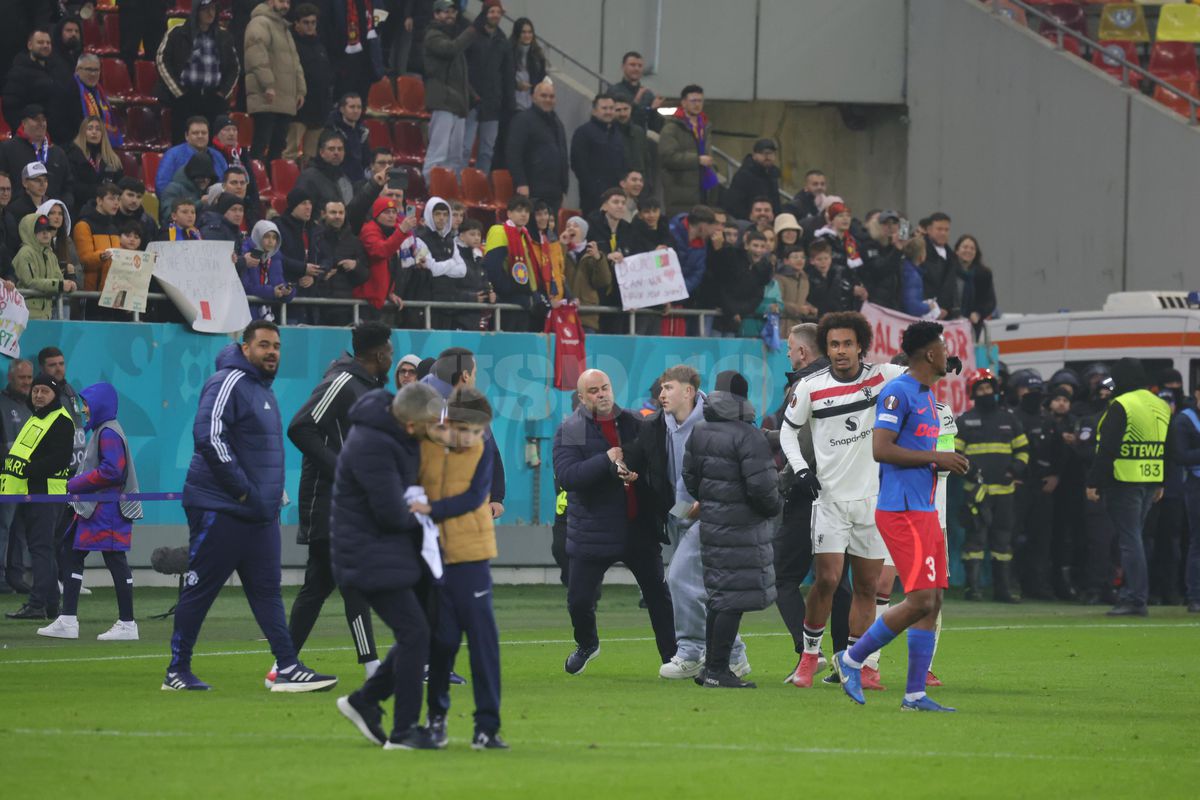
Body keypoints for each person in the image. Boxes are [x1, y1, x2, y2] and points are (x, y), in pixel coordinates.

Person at [164, 322, 337, 691]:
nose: (272, 352)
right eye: (263, 345)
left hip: (259, 514)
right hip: (222, 508)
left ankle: (287, 667)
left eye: (277, 346)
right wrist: (242, 491)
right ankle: (177, 671)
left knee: (267, 592)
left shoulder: (262, 389)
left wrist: (268, 497)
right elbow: (208, 435)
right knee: (200, 589)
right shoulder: (227, 381)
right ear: (245, 348)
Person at [832, 320, 969, 712]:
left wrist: (943, 461)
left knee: (933, 600)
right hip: (902, 510)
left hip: (925, 509)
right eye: (943, 348)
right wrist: (936, 457)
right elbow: (881, 448)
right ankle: (853, 657)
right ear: (930, 353)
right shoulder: (898, 392)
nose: (948, 355)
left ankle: (914, 694)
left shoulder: (927, 396)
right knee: (920, 599)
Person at [778, 311, 906, 688]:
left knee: (867, 587)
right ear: (826, 347)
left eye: (847, 343)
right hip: (830, 501)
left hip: (872, 502)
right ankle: (809, 656)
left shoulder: (882, 376)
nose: (840, 351)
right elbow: (787, 433)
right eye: (834, 344)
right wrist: (802, 470)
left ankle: (855, 663)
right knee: (827, 580)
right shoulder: (810, 386)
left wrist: (942, 363)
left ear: (860, 345)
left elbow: (919, 372)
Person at [277, 323, 393, 686]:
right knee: (351, 581)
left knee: (317, 586)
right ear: (379, 354)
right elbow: (300, 426)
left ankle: (283, 665)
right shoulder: (341, 382)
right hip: (328, 502)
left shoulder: (369, 388)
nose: (391, 356)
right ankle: (371, 667)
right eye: (390, 351)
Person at [332, 382, 441, 750]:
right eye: (430, 425)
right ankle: (404, 730)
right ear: (411, 424)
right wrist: (430, 514)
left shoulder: (394, 437)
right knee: (415, 633)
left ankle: (365, 701)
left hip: (388, 551)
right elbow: (392, 513)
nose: (435, 431)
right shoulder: (372, 444)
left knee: (421, 629)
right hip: (367, 554)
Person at [625, 365, 752, 681]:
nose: (661, 394)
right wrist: (620, 464)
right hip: (678, 515)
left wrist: (710, 502)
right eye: (661, 388)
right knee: (708, 589)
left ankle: (691, 652)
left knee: (679, 578)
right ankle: (733, 656)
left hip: (712, 515)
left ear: (689, 391)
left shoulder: (717, 422)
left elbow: (739, 465)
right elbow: (639, 458)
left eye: (668, 387)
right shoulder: (657, 425)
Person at [552, 369, 676, 675]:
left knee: (658, 597)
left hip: (637, 528)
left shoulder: (635, 422)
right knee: (579, 601)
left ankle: (673, 657)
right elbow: (568, 477)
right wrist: (605, 461)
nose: (602, 394)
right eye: (593, 391)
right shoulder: (571, 429)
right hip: (592, 531)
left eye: (605, 388)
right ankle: (587, 644)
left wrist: (637, 476)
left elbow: (654, 464)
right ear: (581, 398)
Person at [411, 386, 508, 750]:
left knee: (483, 644)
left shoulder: (481, 448)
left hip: (472, 557)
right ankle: (436, 721)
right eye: (468, 430)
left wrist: (431, 510)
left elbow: (473, 498)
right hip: (432, 558)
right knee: (442, 643)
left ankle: (487, 727)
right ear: (448, 422)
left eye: (480, 430)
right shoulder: (425, 445)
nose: (474, 437)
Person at [682, 371, 781, 688]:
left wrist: (713, 501)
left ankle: (711, 669)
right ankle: (716, 670)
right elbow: (763, 490)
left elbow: (690, 480)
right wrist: (774, 507)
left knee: (719, 597)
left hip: (712, 525)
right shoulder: (748, 435)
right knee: (732, 599)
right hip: (743, 529)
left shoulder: (699, 431)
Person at [36, 382, 143, 641]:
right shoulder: (103, 430)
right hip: (96, 509)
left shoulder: (108, 432)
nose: (83, 410)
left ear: (100, 405)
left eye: (86, 405)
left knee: (114, 560)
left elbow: (112, 471)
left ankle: (127, 623)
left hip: (107, 510)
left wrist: (75, 484)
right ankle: (68, 619)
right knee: (71, 552)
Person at [1086, 358, 1172, 617]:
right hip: (1150, 480)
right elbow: (1166, 447)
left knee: (1129, 541)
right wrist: (1161, 481)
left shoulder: (1123, 404)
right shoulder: (1160, 404)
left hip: (1124, 480)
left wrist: (1093, 482)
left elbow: (1108, 448)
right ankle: (1132, 594)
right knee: (1136, 539)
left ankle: (1135, 598)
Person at [2, 373, 74, 620]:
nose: (38, 395)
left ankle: (37, 604)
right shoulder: (37, 417)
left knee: (41, 549)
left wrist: (28, 470)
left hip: (46, 495)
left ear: (55, 395)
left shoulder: (60, 420)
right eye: (35, 391)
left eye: (44, 391)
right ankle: (50, 605)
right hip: (30, 493)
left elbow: (60, 459)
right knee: (42, 549)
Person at [956, 368, 1028, 603]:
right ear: (973, 393)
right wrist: (969, 473)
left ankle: (1003, 590)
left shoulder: (1010, 419)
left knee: (1003, 542)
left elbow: (1023, 450)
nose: (986, 392)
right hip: (976, 493)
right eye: (981, 389)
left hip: (1005, 493)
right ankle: (973, 589)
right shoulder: (964, 421)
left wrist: (1014, 470)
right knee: (974, 541)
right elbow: (954, 454)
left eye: (989, 388)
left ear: (995, 390)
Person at [154, 0, 240, 142]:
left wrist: (222, 93)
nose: (210, 13)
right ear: (196, 11)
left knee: (211, 147)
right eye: (206, 9)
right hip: (185, 98)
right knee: (181, 144)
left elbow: (234, 68)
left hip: (214, 99)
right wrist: (179, 92)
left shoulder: (224, 36)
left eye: (213, 9)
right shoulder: (177, 33)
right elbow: (161, 61)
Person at [422, 0, 481, 179]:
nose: (450, 15)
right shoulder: (432, 36)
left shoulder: (451, 38)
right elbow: (451, 50)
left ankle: (449, 190)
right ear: (436, 14)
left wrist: (472, 96)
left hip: (456, 104)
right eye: (445, 11)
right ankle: (431, 188)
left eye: (453, 11)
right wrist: (473, 29)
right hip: (442, 102)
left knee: (455, 156)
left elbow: (458, 75)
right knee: (438, 152)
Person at [244, 0, 306, 163]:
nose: (286, 5)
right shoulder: (259, 22)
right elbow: (256, 55)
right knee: (260, 146)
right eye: (281, 1)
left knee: (278, 149)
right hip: (267, 97)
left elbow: (295, 62)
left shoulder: (284, 28)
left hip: (285, 98)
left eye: (288, 2)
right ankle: (255, 178)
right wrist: (268, 84)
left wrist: (301, 90)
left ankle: (273, 178)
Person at [483, 195, 551, 332]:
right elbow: (493, 268)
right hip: (507, 302)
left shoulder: (525, 236)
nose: (524, 214)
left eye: (526, 211)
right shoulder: (499, 231)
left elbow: (529, 270)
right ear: (509, 213)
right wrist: (512, 293)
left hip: (522, 302)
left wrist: (532, 294)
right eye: (519, 210)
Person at [462, 0, 512, 176]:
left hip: (492, 104)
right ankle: (459, 183)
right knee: (465, 148)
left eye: (498, 12)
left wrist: (507, 102)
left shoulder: (503, 40)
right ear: (485, 13)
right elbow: (461, 64)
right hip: (471, 101)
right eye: (492, 11)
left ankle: (480, 184)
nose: (495, 15)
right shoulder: (472, 34)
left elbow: (507, 74)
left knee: (487, 151)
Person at [505, 79, 568, 213]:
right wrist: (521, 182)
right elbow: (513, 154)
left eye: (551, 96)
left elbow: (563, 155)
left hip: (555, 191)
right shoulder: (522, 120)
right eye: (543, 96)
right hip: (532, 189)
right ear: (533, 97)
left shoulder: (557, 123)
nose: (548, 99)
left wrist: (564, 187)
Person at [0, 106, 73, 213]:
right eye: (36, 119)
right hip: (18, 215)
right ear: (24, 123)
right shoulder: (8, 149)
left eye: (43, 120)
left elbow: (68, 186)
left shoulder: (58, 153)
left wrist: (62, 206)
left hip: (52, 216)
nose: (41, 123)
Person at [355, 194, 419, 316]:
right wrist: (401, 231)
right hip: (366, 301)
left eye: (394, 212)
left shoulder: (392, 231)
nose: (391, 216)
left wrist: (389, 292)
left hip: (380, 299)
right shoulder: (368, 230)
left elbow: (390, 266)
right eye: (386, 212)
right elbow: (381, 251)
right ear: (377, 215)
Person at [658, 84, 717, 217]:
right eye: (693, 101)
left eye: (700, 101)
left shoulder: (705, 126)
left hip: (703, 189)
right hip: (680, 192)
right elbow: (667, 157)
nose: (697, 104)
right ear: (684, 103)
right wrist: (697, 160)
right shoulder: (671, 128)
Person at [0, 360, 33, 594]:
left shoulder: (31, 405)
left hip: (27, 478)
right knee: (3, 527)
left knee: (20, 529)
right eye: (22, 378)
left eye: (29, 378)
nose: (27, 382)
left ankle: (15, 575)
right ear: (10, 377)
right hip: (6, 477)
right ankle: (0, 577)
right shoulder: (1, 404)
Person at [288, 5, 334, 162]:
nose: (310, 26)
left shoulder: (320, 45)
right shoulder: (291, 44)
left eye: (313, 22)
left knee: (312, 156)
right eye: (306, 22)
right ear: (296, 23)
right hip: (298, 109)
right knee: (290, 152)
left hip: (319, 108)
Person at [2, 29, 70, 135]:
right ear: (30, 45)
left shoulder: (57, 70)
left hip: (59, 134)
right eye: (40, 42)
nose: (45, 45)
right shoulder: (19, 72)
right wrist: (24, 133)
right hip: (33, 136)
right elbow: (11, 108)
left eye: (48, 43)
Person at [316, 199, 371, 326]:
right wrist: (321, 274)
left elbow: (365, 275)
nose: (337, 216)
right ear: (323, 214)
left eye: (341, 213)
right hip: (315, 305)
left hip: (344, 307)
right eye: (333, 212)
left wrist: (356, 266)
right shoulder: (315, 237)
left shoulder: (354, 241)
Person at [14, 213, 78, 321]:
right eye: (39, 230)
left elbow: (59, 279)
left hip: (47, 315)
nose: (45, 233)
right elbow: (30, 282)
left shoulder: (51, 255)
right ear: (29, 232)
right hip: (26, 316)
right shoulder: (25, 253)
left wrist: (70, 283)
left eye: (48, 229)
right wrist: (60, 285)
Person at [571, 93, 625, 216]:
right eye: (604, 108)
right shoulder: (583, 133)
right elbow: (578, 165)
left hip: (616, 196)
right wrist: (594, 190)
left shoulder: (617, 134)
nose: (608, 112)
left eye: (611, 108)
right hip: (592, 199)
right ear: (594, 111)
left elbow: (622, 163)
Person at [57, 55, 123, 152]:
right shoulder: (69, 89)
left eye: (96, 70)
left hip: (97, 144)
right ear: (77, 70)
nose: (93, 74)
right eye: (89, 69)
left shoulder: (99, 91)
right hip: (75, 146)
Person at [154, 117, 229, 200]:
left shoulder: (217, 156)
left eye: (204, 133)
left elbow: (227, 182)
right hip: (182, 204)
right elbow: (162, 185)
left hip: (215, 203)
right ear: (186, 136)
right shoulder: (172, 154)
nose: (200, 136)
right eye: (195, 133)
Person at [560, 216, 610, 334]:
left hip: (586, 316)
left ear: (583, 232)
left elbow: (603, 281)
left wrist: (598, 259)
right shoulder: (561, 251)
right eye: (568, 226)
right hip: (563, 314)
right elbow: (555, 271)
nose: (571, 228)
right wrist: (562, 246)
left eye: (575, 226)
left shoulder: (592, 254)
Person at [65, 117, 124, 217]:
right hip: (80, 210)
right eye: (90, 128)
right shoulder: (72, 155)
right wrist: (99, 192)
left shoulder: (113, 159)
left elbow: (119, 185)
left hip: (108, 212)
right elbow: (73, 186)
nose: (94, 132)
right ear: (83, 132)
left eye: (98, 129)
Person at [73, 182, 123, 296]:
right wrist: (101, 257)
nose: (116, 203)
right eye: (111, 199)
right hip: (89, 292)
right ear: (99, 200)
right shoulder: (83, 225)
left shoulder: (114, 228)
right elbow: (83, 261)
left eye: (118, 199)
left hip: (110, 293)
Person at [241, 220, 296, 318]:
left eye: (274, 238)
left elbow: (278, 283)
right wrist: (271, 292)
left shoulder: (275, 257)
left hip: (267, 315)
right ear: (258, 236)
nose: (271, 241)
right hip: (245, 313)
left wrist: (286, 291)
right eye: (266, 236)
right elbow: (245, 287)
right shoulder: (245, 254)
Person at [295, 131, 355, 211]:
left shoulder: (345, 178)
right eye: (331, 149)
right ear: (321, 152)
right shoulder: (308, 177)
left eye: (340, 149)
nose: (336, 153)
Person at [725, 139, 780, 221]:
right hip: (747, 222)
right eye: (763, 153)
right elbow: (734, 204)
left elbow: (776, 203)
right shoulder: (743, 175)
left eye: (770, 153)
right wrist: (749, 218)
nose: (767, 156)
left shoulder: (773, 175)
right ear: (754, 155)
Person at [954, 234, 997, 338]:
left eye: (972, 248)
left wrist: (978, 313)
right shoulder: (948, 271)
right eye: (965, 247)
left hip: (972, 326)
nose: (968, 251)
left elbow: (990, 301)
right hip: (950, 324)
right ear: (957, 251)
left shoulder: (984, 274)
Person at [609, 51, 663, 133]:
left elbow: (655, 126)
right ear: (623, 67)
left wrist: (654, 110)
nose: (636, 69)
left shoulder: (647, 94)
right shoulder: (614, 91)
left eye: (640, 66)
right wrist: (636, 102)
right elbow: (615, 120)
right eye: (632, 65)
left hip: (639, 137)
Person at [159, 152, 218, 227]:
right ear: (192, 175)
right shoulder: (173, 189)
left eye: (209, 178)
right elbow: (169, 216)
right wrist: (200, 203)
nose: (206, 181)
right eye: (201, 177)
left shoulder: (210, 189)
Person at [921, 212, 959, 319]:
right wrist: (935, 309)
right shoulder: (920, 252)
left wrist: (952, 310)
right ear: (929, 230)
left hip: (947, 314)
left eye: (946, 230)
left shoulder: (951, 256)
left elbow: (952, 286)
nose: (943, 233)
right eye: (939, 229)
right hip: (926, 313)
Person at [119, 0, 169, 77]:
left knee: (156, 54)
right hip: (131, 6)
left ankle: (153, 83)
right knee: (128, 52)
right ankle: (126, 83)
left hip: (157, 6)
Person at [510, 18, 546, 112]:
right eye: (523, 32)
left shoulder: (538, 55)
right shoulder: (508, 52)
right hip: (512, 106)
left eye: (530, 32)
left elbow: (542, 78)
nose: (527, 35)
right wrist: (516, 85)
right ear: (517, 33)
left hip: (531, 106)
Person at [115, 178, 159, 245]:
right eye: (130, 195)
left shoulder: (148, 222)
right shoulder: (109, 218)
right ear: (119, 195)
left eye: (139, 197)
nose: (134, 200)